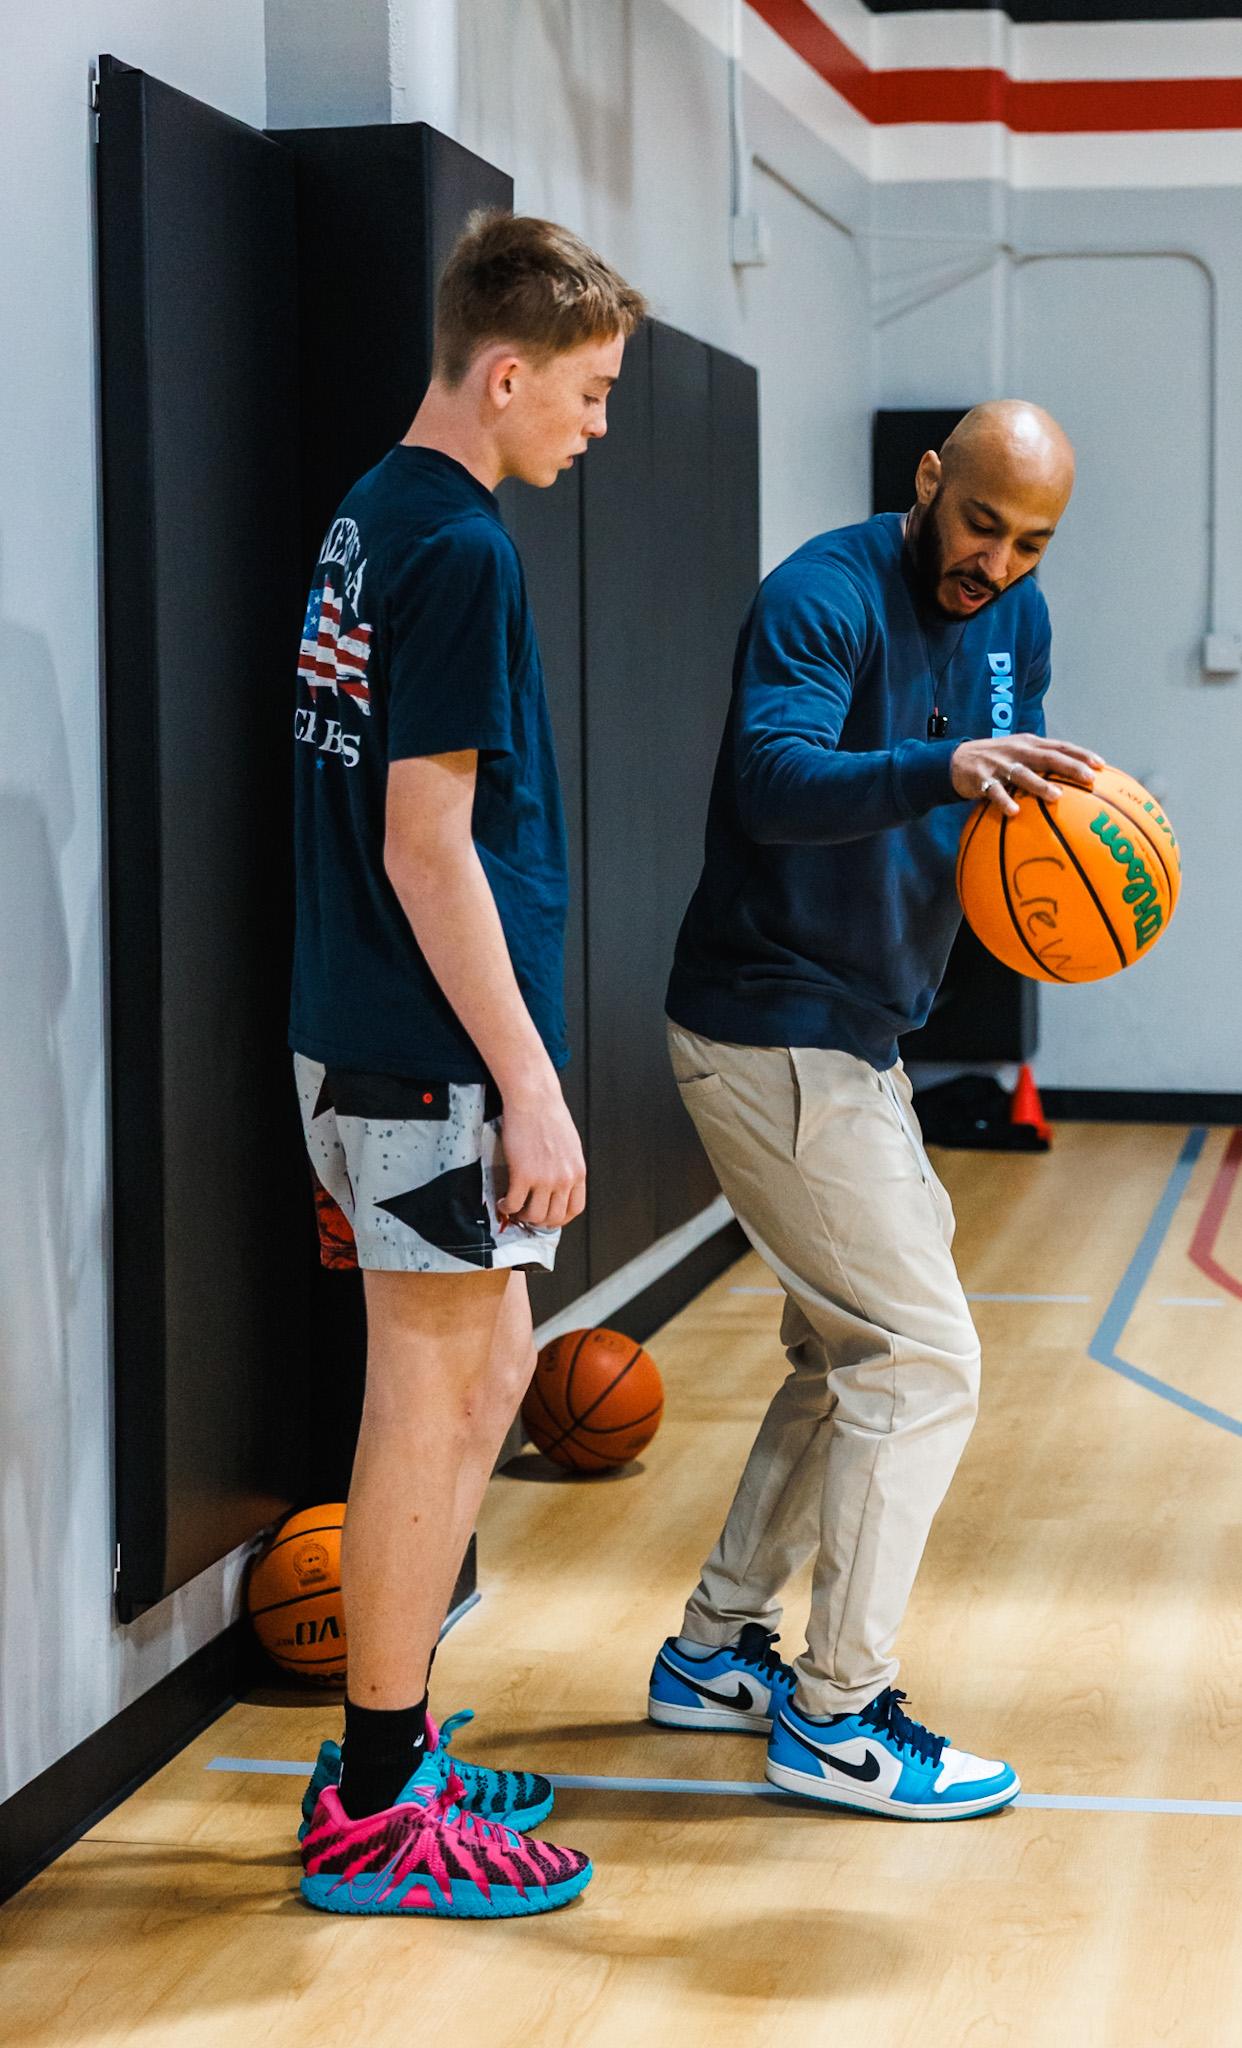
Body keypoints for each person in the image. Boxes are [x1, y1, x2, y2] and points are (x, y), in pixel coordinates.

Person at [647, 402, 1102, 1819]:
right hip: (767, 1024)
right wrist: (940, 767)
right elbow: (771, 783)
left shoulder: (1019, 624)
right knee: (922, 1359)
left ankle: (713, 1650)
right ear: (927, 480)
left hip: (859, 1031)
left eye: (1029, 544)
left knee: (844, 1353)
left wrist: (1073, 864)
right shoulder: (823, 594)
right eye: (980, 526)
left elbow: (1000, 811)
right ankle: (837, 1716)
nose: (996, 564)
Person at [289, 211, 645, 1917]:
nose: (597, 424)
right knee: (425, 1407)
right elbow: (425, 847)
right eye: (586, 392)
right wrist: (534, 1081)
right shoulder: (458, 549)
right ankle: (373, 1808)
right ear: (505, 376)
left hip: (382, 1040)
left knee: (486, 1382)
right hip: (422, 1055)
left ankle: (399, 1743)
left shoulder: (374, 511)